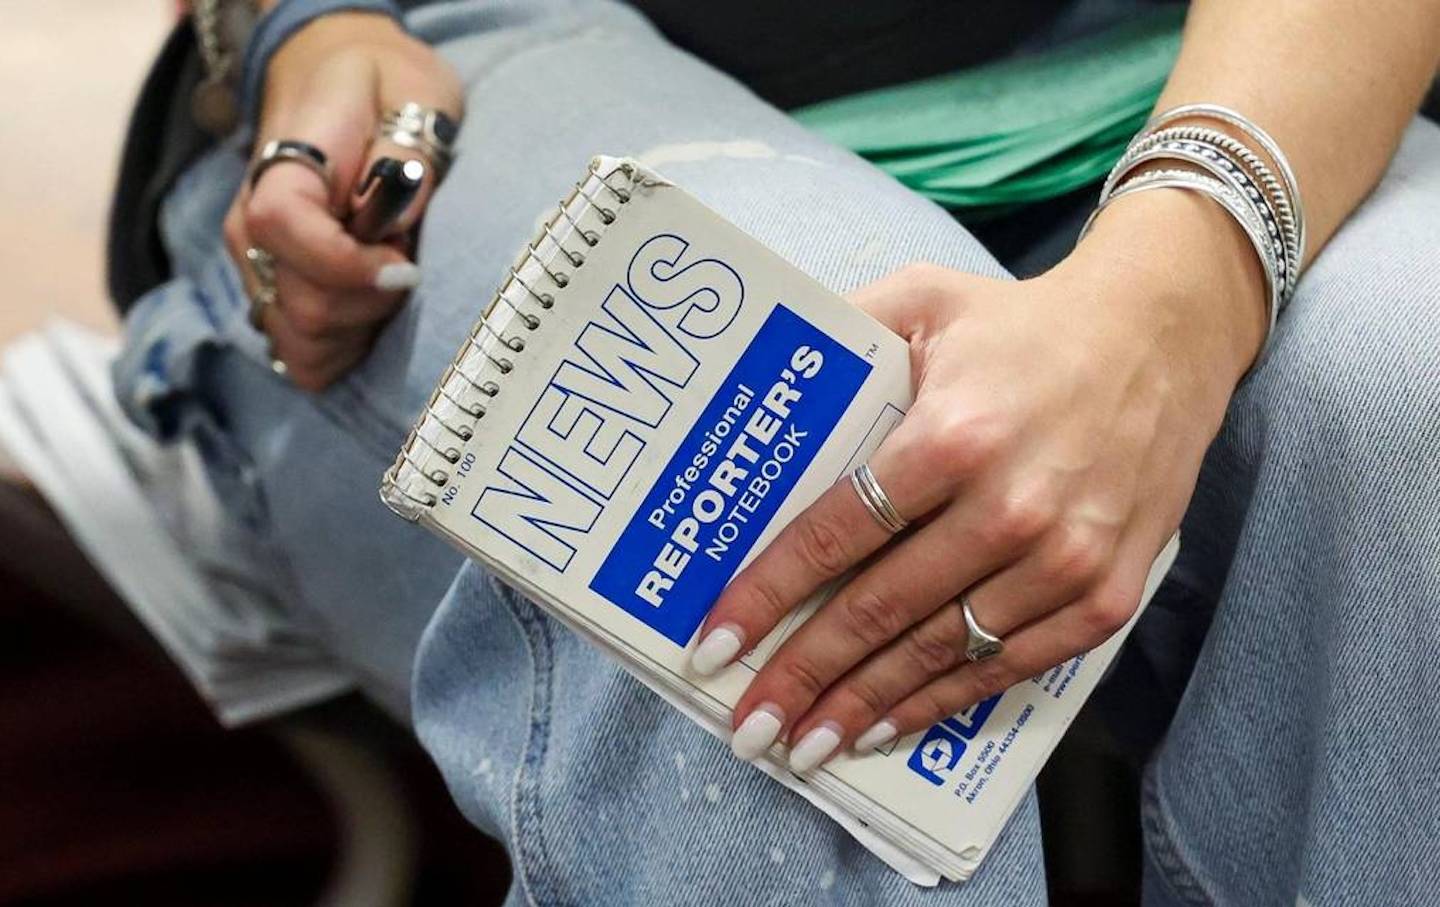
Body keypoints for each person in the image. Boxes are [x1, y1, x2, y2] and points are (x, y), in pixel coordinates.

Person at [107, 0, 1440, 903]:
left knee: (1411, 372)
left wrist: (1183, 288)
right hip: (496, 35)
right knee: (763, 430)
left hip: (1178, 54)